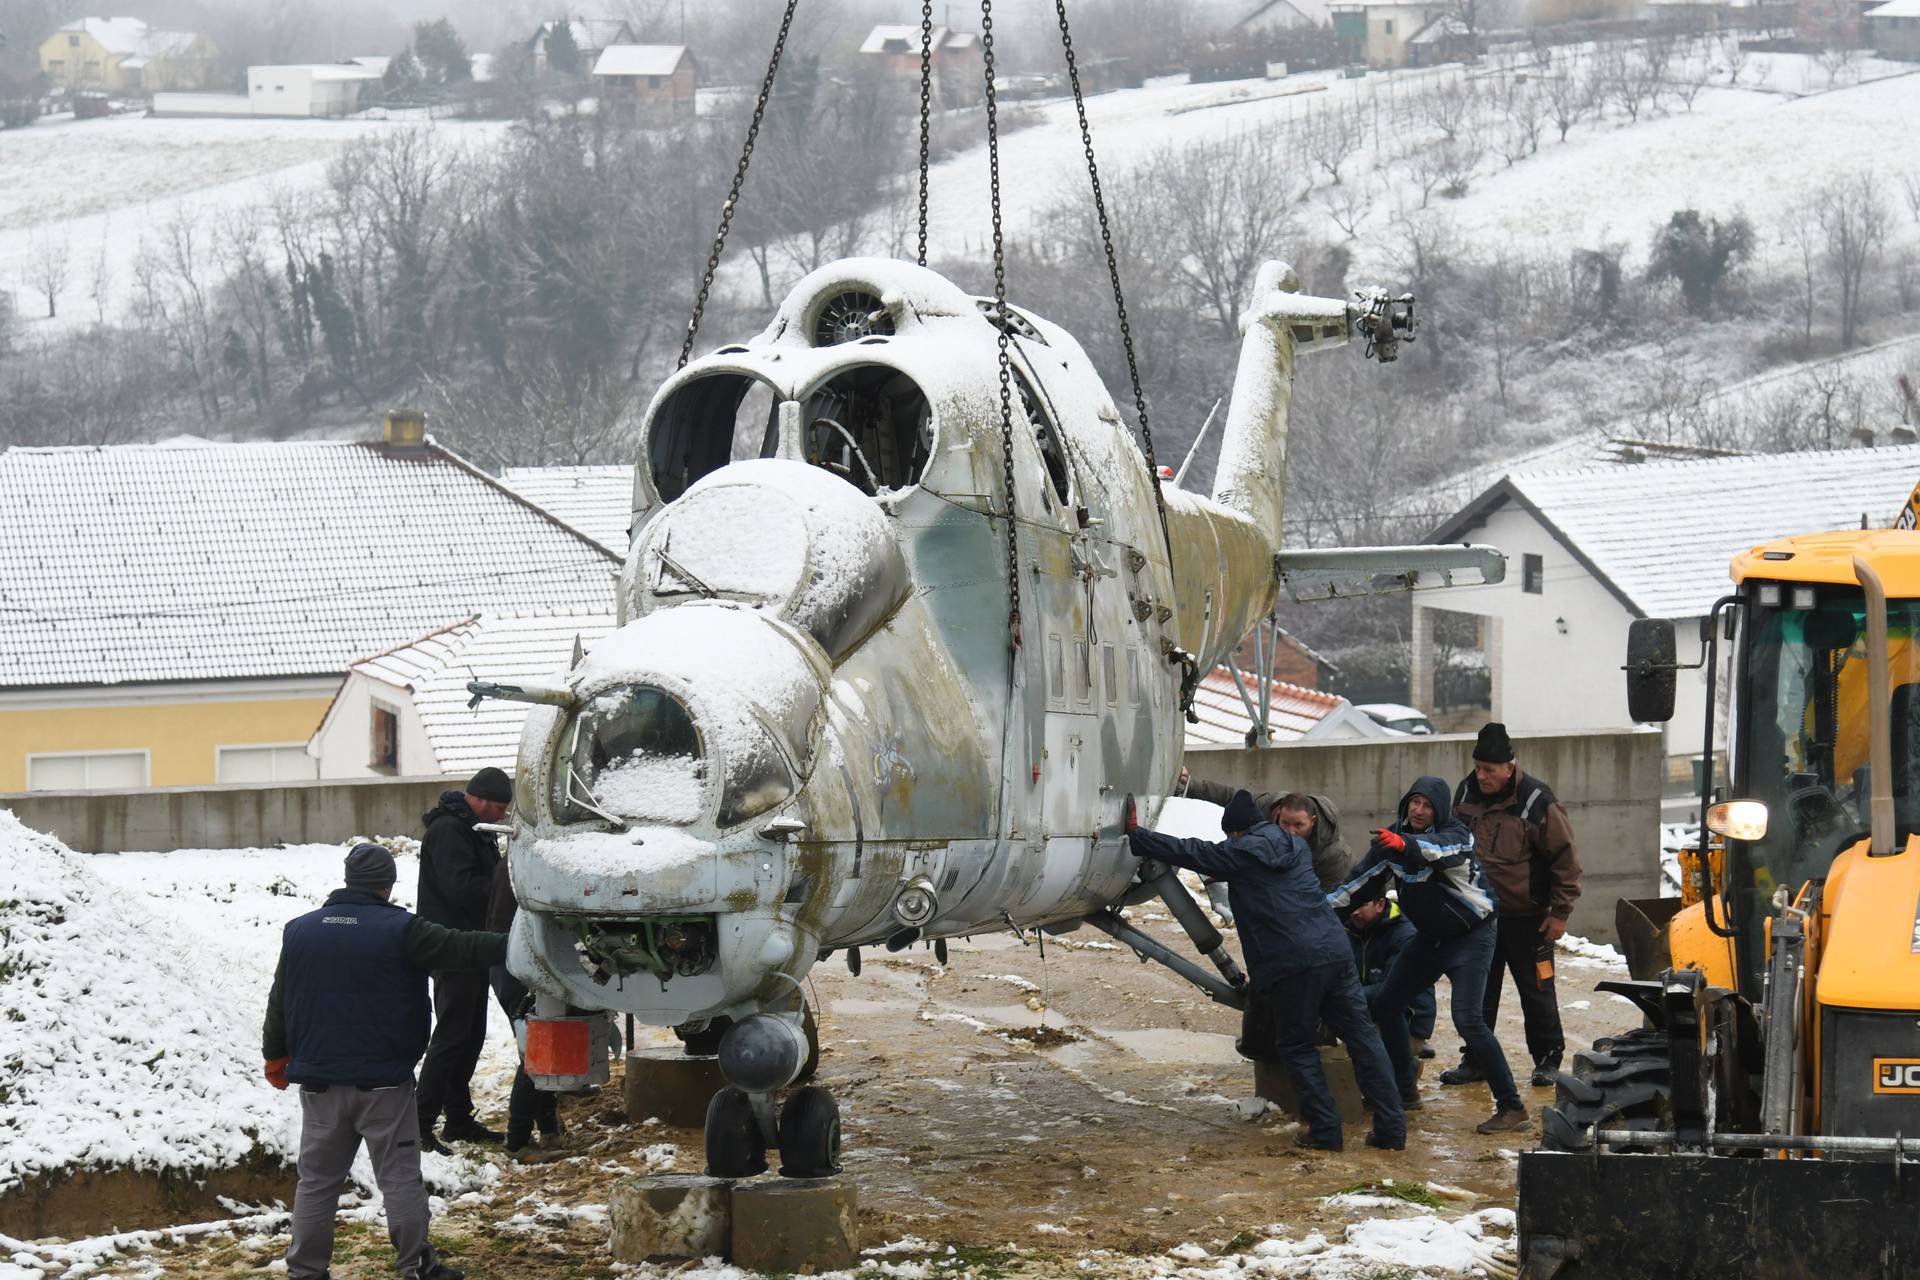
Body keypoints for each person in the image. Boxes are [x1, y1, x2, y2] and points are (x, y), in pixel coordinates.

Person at [262, 842, 506, 1280]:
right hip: (384, 1086)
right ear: (388, 885)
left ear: (348, 879)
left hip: (319, 1083)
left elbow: (279, 999)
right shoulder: (402, 930)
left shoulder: (299, 930)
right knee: (399, 1180)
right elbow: (462, 948)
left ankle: (305, 1272)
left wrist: (274, 1054)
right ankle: (415, 1266)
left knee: (317, 1183)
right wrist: (518, 943)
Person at [1130, 790, 1406, 1152]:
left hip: (1292, 963)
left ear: (1238, 833)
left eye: (1231, 836)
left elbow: (1193, 851)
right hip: (1335, 953)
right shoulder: (1298, 847)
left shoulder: (1242, 851)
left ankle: (1325, 1130)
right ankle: (1391, 1129)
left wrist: (1138, 836)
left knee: (1296, 1044)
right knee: (1363, 1040)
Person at [1328, 776, 1529, 1135]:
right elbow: (1358, 884)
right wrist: (1316, 912)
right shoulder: (1390, 841)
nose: (1419, 811)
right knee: (1387, 1004)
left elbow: (1436, 850)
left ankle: (1512, 1107)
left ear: (1440, 810)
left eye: (1427, 805)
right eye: (1414, 803)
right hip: (1430, 938)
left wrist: (1405, 843)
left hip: (1473, 936)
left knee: (1468, 1020)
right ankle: (1405, 1092)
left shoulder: (1456, 835)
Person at [1448, 723, 1583, 1088]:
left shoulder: (1538, 801)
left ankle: (1547, 1060)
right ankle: (1475, 1059)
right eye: (1478, 767)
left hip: (1531, 919)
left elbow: (1565, 860)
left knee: (1537, 992)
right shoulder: (1465, 792)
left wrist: (1560, 913)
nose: (1482, 776)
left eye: (1489, 770)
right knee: (1478, 994)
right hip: (1480, 918)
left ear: (1510, 767)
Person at [416, 766, 514, 1152]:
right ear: (481, 801)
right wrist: (506, 885)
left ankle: (457, 1118)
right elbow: (461, 888)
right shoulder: (449, 831)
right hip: (450, 945)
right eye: (500, 808)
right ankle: (419, 1122)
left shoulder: (474, 830)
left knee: (469, 1035)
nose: (503, 816)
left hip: (470, 944)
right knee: (452, 1034)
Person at [1179, 769, 1352, 921]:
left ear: (1312, 822)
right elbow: (1230, 797)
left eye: (1299, 825)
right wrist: (1191, 784)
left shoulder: (1332, 856)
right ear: (1278, 815)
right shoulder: (1266, 807)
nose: (1291, 832)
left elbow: (1323, 902)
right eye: (1285, 823)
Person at [487, 855, 560, 1153]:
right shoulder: (531, 861)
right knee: (536, 1051)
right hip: (522, 965)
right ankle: (517, 1139)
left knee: (542, 1048)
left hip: (509, 964)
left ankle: (548, 1128)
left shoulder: (513, 859)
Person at [1344, 893, 1438, 1073]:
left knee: (1366, 1052)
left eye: (1361, 906)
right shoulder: (1351, 929)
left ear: (1380, 904)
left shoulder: (1405, 935)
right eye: (1350, 906)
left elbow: (1388, 988)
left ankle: (1405, 1069)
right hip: (1368, 1011)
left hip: (1408, 1021)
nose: (1354, 912)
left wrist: (1342, 997)